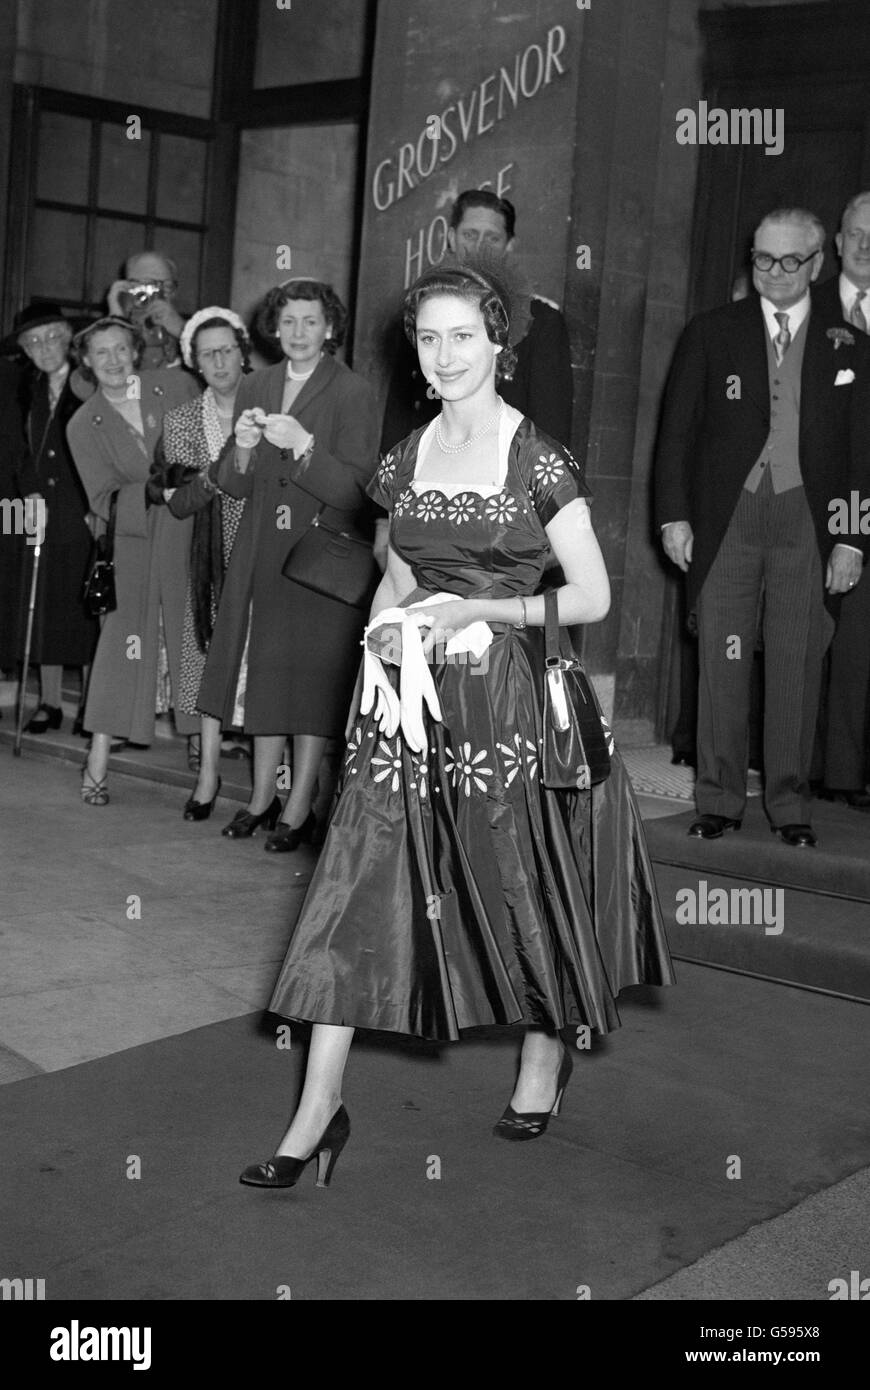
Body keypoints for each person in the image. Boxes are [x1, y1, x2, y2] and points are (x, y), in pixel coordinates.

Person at [238, 260, 673, 1191]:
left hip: (506, 703)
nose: (444, 356)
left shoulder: (538, 458)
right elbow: (397, 570)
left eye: (462, 337)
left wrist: (486, 616)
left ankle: (544, 1055)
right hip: (407, 705)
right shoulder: (406, 456)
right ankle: (317, 1109)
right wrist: (382, 637)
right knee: (357, 884)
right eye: (428, 339)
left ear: (498, 345)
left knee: (517, 881)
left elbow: (591, 595)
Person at [655, 207, 870, 847]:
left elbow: (864, 453)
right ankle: (718, 799)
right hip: (728, 517)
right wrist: (674, 515)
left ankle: (789, 804)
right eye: (761, 259)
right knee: (722, 657)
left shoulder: (852, 346)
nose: (773, 273)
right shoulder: (710, 331)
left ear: (816, 263)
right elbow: (677, 435)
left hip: (809, 518)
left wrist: (853, 538)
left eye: (788, 261)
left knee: (796, 661)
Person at [196, 279, 380, 849]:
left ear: (330, 328)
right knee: (268, 677)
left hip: (318, 555)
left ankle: (299, 808)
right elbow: (229, 483)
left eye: (310, 321)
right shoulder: (257, 381)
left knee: (310, 682)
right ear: (274, 328)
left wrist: (304, 446)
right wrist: (245, 446)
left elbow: (359, 491)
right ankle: (260, 798)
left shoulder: (354, 391)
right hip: (260, 550)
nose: (298, 333)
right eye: (289, 322)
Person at [67, 317, 199, 804]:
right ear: (86, 361)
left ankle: (199, 742)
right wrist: (146, 490)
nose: (113, 360)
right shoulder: (84, 423)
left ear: (135, 351)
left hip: (186, 531)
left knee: (191, 640)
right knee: (123, 646)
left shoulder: (173, 387)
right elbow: (100, 499)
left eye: (121, 349)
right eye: (101, 353)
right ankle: (97, 758)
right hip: (133, 540)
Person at [379, 189, 574, 453]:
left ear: (509, 246)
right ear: (451, 238)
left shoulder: (541, 322)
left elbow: (550, 431)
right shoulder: (422, 310)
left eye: (492, 238)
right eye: (470, 235)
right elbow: (401, 411)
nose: (480, 246)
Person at [156, 307, 251, 818]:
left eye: (226, 350)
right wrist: (224, 473)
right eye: (207, 353)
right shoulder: (181, 420)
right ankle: (208, 774)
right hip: (207, 557)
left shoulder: (268, 409)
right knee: (209, 658)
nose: (218, 361)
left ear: (243, 352)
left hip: (264, 549)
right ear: (194, 362)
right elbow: (181, 497)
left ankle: (265, 786)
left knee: (261, 663)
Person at [12, 302, 97, 734]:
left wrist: (95, 503)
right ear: (24, 351)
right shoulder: (24, 389)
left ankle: (89, 706)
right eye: (32, 341)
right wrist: (27, 491)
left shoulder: (88, 383)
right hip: (37, 509)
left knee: (83, 605)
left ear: (68, 338)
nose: (43, 347)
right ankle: (48, 702)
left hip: (82, 508)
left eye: (51, 337)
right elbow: (18, 449)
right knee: (41, 602)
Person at [813, 192, 870, 811]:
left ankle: (851, 771)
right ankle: (822, 772)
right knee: (823, 642)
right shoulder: (804, 307)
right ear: (837, 239)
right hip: (823, 503)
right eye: (856, 233)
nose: (865, 246)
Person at [107, 251, 186, 371]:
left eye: (165, 286)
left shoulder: (192, 335)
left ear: (174, 292)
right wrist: (115, 322)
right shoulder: (103, 333)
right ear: (125, 288)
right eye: (145, 286)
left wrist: (183, 332)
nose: (156, 294)